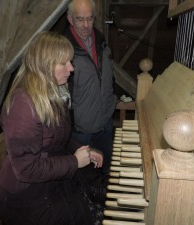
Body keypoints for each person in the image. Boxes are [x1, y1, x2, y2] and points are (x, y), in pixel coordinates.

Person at [0, 31, 103, 225]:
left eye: (70, 61)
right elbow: (26, 170)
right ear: (44, 65)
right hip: (26, 196)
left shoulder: (53, 92)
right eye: (64, 63)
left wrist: (82, 151)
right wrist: (74, 162)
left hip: (46, 181)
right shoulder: (23, 104)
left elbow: (56, 138)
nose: (71, 68)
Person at [64, 0, 117, 174]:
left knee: (106, 171)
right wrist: (70, 125)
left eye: (90, 19)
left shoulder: (103, 43)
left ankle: (103, 200)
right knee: (83, 178)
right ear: (70, 19)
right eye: (80, 19)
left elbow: (107, 79)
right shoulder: (63, 50)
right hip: (80, 131)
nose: (86, 25)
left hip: (105, 122)